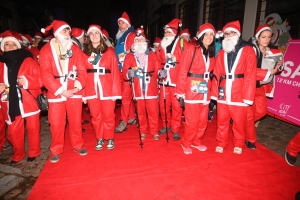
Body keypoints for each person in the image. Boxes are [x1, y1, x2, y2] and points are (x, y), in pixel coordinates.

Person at [39, 20, 87, 163]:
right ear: (57, 33)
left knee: (75, 121)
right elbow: (45, 75)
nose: (68, 34)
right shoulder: (46, 50)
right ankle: (56, 150)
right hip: (56, 93)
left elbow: (82, 70)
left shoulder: (75, 49)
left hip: (74, 91)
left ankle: (78, 145)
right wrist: (61, 90)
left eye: (68, 31)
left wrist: (77, 87)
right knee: (56, 123)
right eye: (64, 31)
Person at [211, 20, 257, 154]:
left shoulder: (248, 50)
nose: (229, 36)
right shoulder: (221, 52)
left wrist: (248, 96)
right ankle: (221, 142)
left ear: (237, 34)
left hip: (239, 93)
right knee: (222, 121)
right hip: (223, 92)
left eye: (232, 33)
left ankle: (238, 143)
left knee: (238, 122)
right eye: (226, 34)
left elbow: (250, 75)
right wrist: (214, 93)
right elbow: (217, 73)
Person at [0, 30, 42, 164]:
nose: (10, 46)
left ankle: (33, 152)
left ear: (18, 45)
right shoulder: (0, 63)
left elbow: (41, 79)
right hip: (9, 101)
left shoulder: (28, 60)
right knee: (13, 131)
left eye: (13, 44)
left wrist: (28, 81)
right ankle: (18, 154)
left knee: (33, 128)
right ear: (3, 47)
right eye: (7, 44)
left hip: (28, 99)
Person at [176, 23, 216, 154]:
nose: (209, 37)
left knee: (203, 121)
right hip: (191, 90)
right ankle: (186, 142)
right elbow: (182, 70)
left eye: (212, 34)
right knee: (192, 121)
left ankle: (196, 141)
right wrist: (181, 92)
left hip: (205, 91)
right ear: (201, 35)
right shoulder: (191, 48)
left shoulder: (210, 52)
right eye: (207, 34)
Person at [245, 24, 284, 150]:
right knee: (250, 115)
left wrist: (279, 65)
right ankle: (250, 139)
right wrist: (269, 73)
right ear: (257, 37)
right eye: (263, 37)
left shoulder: (271, 51)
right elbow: (249, 70)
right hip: (249, 86)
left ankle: (241, 122)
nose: (267, 39)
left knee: (262, 111)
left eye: (269, 37)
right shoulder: (250, 49)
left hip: (261, 86)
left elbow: (277, 70)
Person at [83, 24, 121, 150]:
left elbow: (115, 72)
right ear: (89, 36)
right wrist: (83, 94)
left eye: (96, 33)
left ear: (101, 35)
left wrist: (116, 92)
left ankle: (109, 137)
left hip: (107, 89)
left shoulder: (109, 52)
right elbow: (81, 74)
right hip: (91, 89)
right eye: (91, 33)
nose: (94, 36)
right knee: (95, 116)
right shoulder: (84, 53)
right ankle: (99, 137)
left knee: (109, 115)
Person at [123, 28, 160, 140]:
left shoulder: (152, 54)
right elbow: (124, 73)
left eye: (141, 39)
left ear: (145, 41)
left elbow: (158, 68)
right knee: (140, 112)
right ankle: (143, 131)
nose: (139, 42)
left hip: (151, 88)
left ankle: (154, 131)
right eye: (137, 40)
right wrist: (128, 74)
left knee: (153, 111)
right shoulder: (129, 56)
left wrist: (161, 73)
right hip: (137, 88)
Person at [156, 18, 188, 140]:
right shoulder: (161, 45)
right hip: (164, 81)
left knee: (176, 107)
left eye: (169, 32)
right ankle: (166, 125)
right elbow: (157, 61)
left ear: (175, 32)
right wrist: (159, 71)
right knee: (163, 106)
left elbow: (186, 63)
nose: (166, 34)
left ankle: (175, 129)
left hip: (176, 82)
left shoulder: (182, 44)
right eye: (165, 32)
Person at [114, 12, 137, 133]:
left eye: (123, 23)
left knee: (126, 96)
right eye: (119, 23)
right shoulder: (120, 37)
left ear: (128, 24)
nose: (121, 25)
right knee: (126, 95)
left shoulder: (131, 35)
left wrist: (132, 69)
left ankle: (123, 120)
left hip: (128, 70)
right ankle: (132, 117)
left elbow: (134, 54)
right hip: (120, 70)